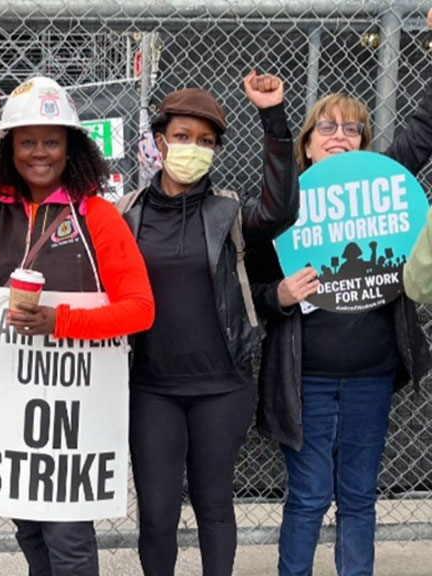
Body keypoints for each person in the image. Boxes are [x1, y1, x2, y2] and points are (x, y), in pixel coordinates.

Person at [0, 77, 155, 575]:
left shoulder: (97, 217)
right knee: (29, 530)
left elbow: (140, 309)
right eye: (26, 141)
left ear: (71, 147)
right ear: (9, 148)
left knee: (69, 537)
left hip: (74, 416)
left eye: (52, 141)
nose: (39, 153)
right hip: (10, 405)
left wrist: (59, 321)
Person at [251, 12, 432, 573]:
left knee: (358, 497)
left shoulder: (384, 187)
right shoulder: (282, 207)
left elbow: (424, 131)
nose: (338, 136)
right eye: (325, 128)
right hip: (305, 377)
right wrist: (278, 295)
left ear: (366, 144)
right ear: (306, 146)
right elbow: (249, 291)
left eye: (351, 128)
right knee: (306, 497)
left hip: (371, 374)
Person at [115, 73, 297, 576]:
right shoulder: (127, 214)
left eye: (205, 142)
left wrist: (272, 117)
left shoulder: (230, 212)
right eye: (181, 137)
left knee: (215, 508)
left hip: (222, 386)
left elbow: (281, 210)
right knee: (157, 517)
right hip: (151, 388)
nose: (192, 149)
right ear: (158, 141)